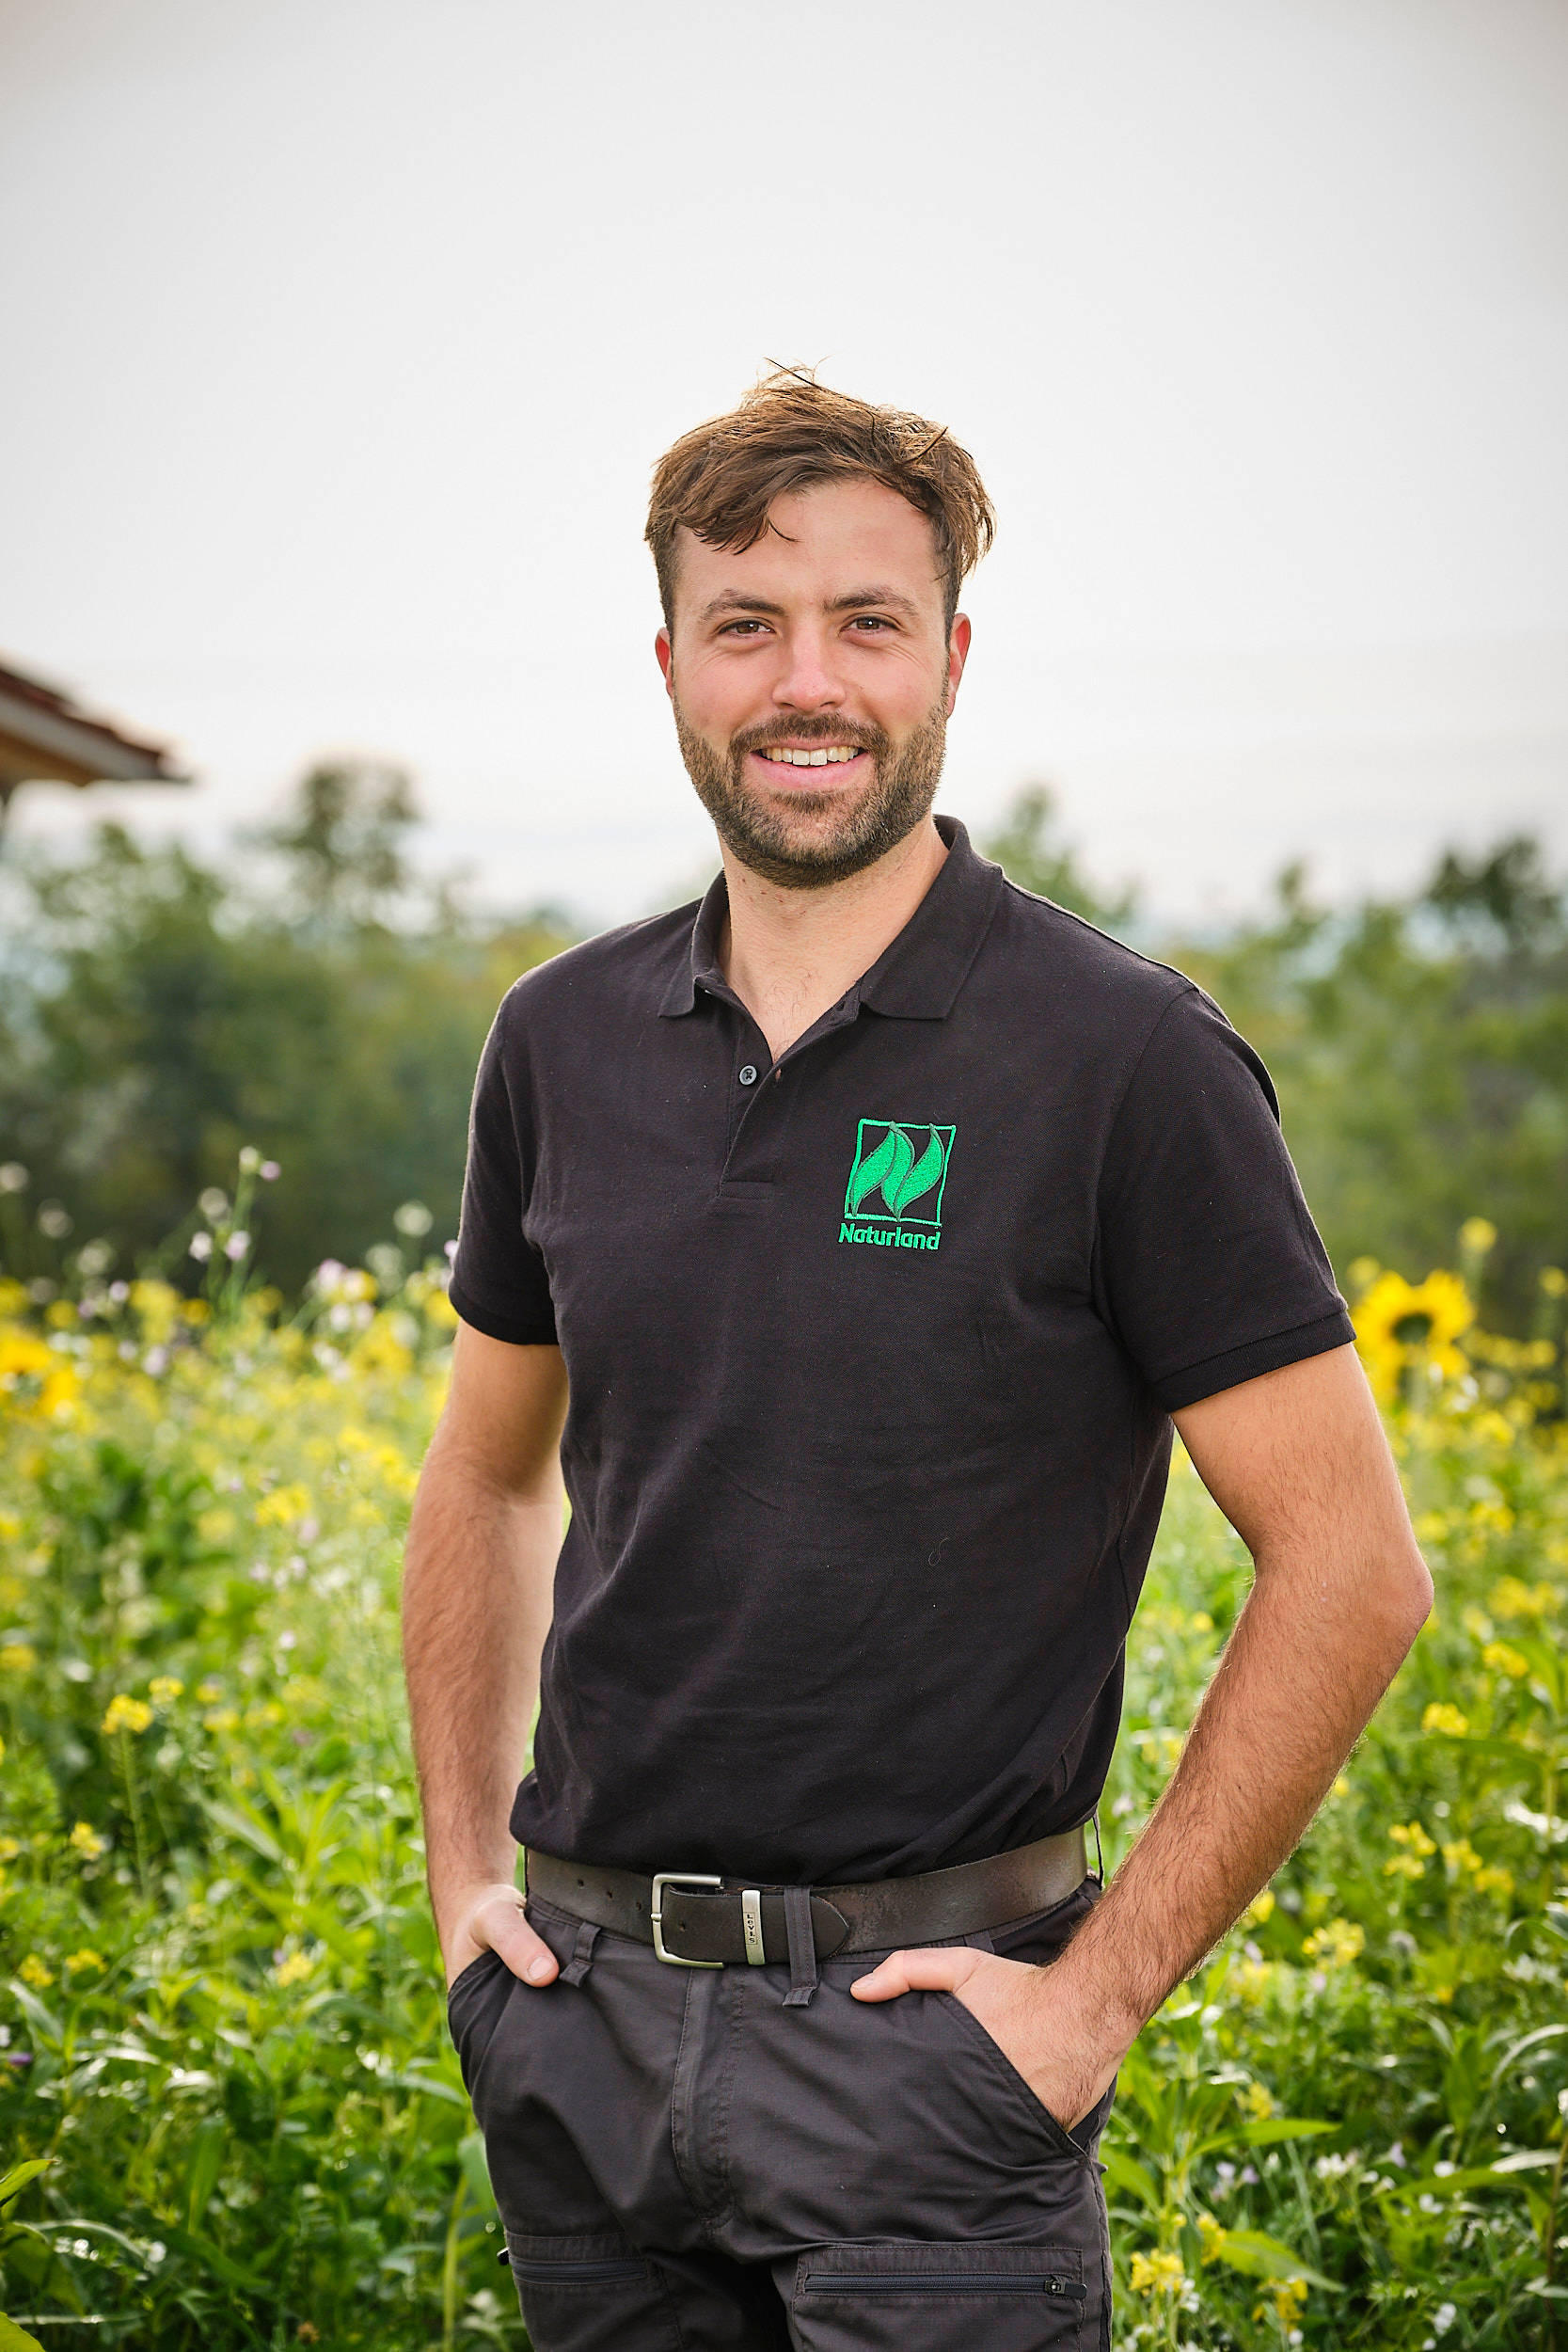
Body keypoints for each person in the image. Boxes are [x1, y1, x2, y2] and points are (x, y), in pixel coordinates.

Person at [402, 369, 1433, 2349]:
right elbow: (487, 1472)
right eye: (749, 624)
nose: (810, 680)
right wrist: (469, 1887)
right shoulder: (557, 1039)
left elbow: (1353, 1565)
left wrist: (1094, 1999)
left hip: (932, 2062)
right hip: (582, 2040)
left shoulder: (1128, 1059)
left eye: (867, 621)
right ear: (672, 661)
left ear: (952, 654)